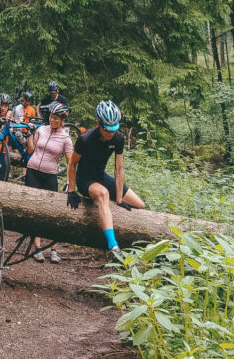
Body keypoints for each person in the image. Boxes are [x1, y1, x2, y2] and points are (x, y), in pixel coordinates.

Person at [66, 99, 145, 263]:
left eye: (114, 129)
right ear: (98, 123)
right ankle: (113, 247)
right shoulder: (85, 138)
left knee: (139, 204)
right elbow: (72, 163)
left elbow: (118, 169)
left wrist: (119, 198)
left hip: (101, 176)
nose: (111, 133)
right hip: (85, 179)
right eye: (107, 129)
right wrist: (71, 191)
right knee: (103, 194)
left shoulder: (118, 138)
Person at [24, 101, 73, 264]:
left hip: (50, 175)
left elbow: (71, 163)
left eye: (56, 118)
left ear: (62, 120)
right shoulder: (41, 130)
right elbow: (31, 150)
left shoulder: (66, 138)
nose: (52, 120)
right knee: (35, 210)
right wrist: (29, 135)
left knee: (52, 213)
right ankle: (37, 247)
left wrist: (69, 182)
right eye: (51, 117)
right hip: (33, 172)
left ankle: (53, 249)